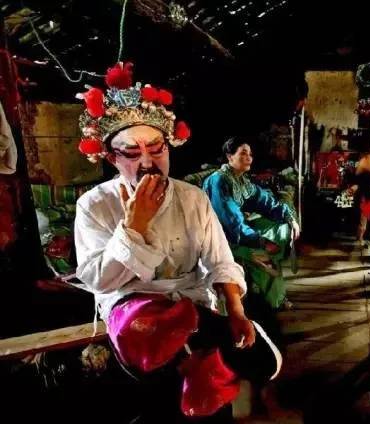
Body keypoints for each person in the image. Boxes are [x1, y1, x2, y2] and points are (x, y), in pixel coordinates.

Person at [73, 62, 281, 420]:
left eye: (156, 149)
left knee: (248, 349)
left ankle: (203, 358)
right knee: (159, 355)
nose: (148, 162)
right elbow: (98, 281)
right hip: (133, 310)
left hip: (190, 304)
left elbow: (220, 260)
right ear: (111, 157)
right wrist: (133, 227)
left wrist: (235, 311)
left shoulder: (192, 197)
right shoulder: (94, 205)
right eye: (132, 153)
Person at [202, 138, 300, 312]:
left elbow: (265, 201)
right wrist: (261, 242)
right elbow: (232, 223)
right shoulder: (219, 181)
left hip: (235, 233)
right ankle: (270, 299)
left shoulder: (242, 181)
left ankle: (273, 297)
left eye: (250, 154)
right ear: (230, 157)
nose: (249, 158)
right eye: (243, 153)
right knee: (262, 255)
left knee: (281, 228)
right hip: (218, 238)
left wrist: (289, 218)